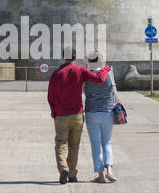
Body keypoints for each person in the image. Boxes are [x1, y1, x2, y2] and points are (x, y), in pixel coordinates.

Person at [48, 47, 111, 185]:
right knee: (74, 145)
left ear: (63, 57)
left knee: (61, 144)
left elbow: (50, 97)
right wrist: (106, 68)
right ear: (75, 58)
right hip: (77, 114)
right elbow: (99, 79)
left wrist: (54, 112)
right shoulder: (80, 70)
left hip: (61, 115)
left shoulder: (56, 74)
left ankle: (63, 168)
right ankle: (72, 175)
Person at [84, 52, 121, 183]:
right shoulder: (109, 73)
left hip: (92, 112)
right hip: (108, 111)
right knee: (106, 142)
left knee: (95, 145)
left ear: (89, 62)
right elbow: (113, 90)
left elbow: (84, 91)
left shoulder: (87, 75)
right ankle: (109, 170)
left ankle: (100, 176)